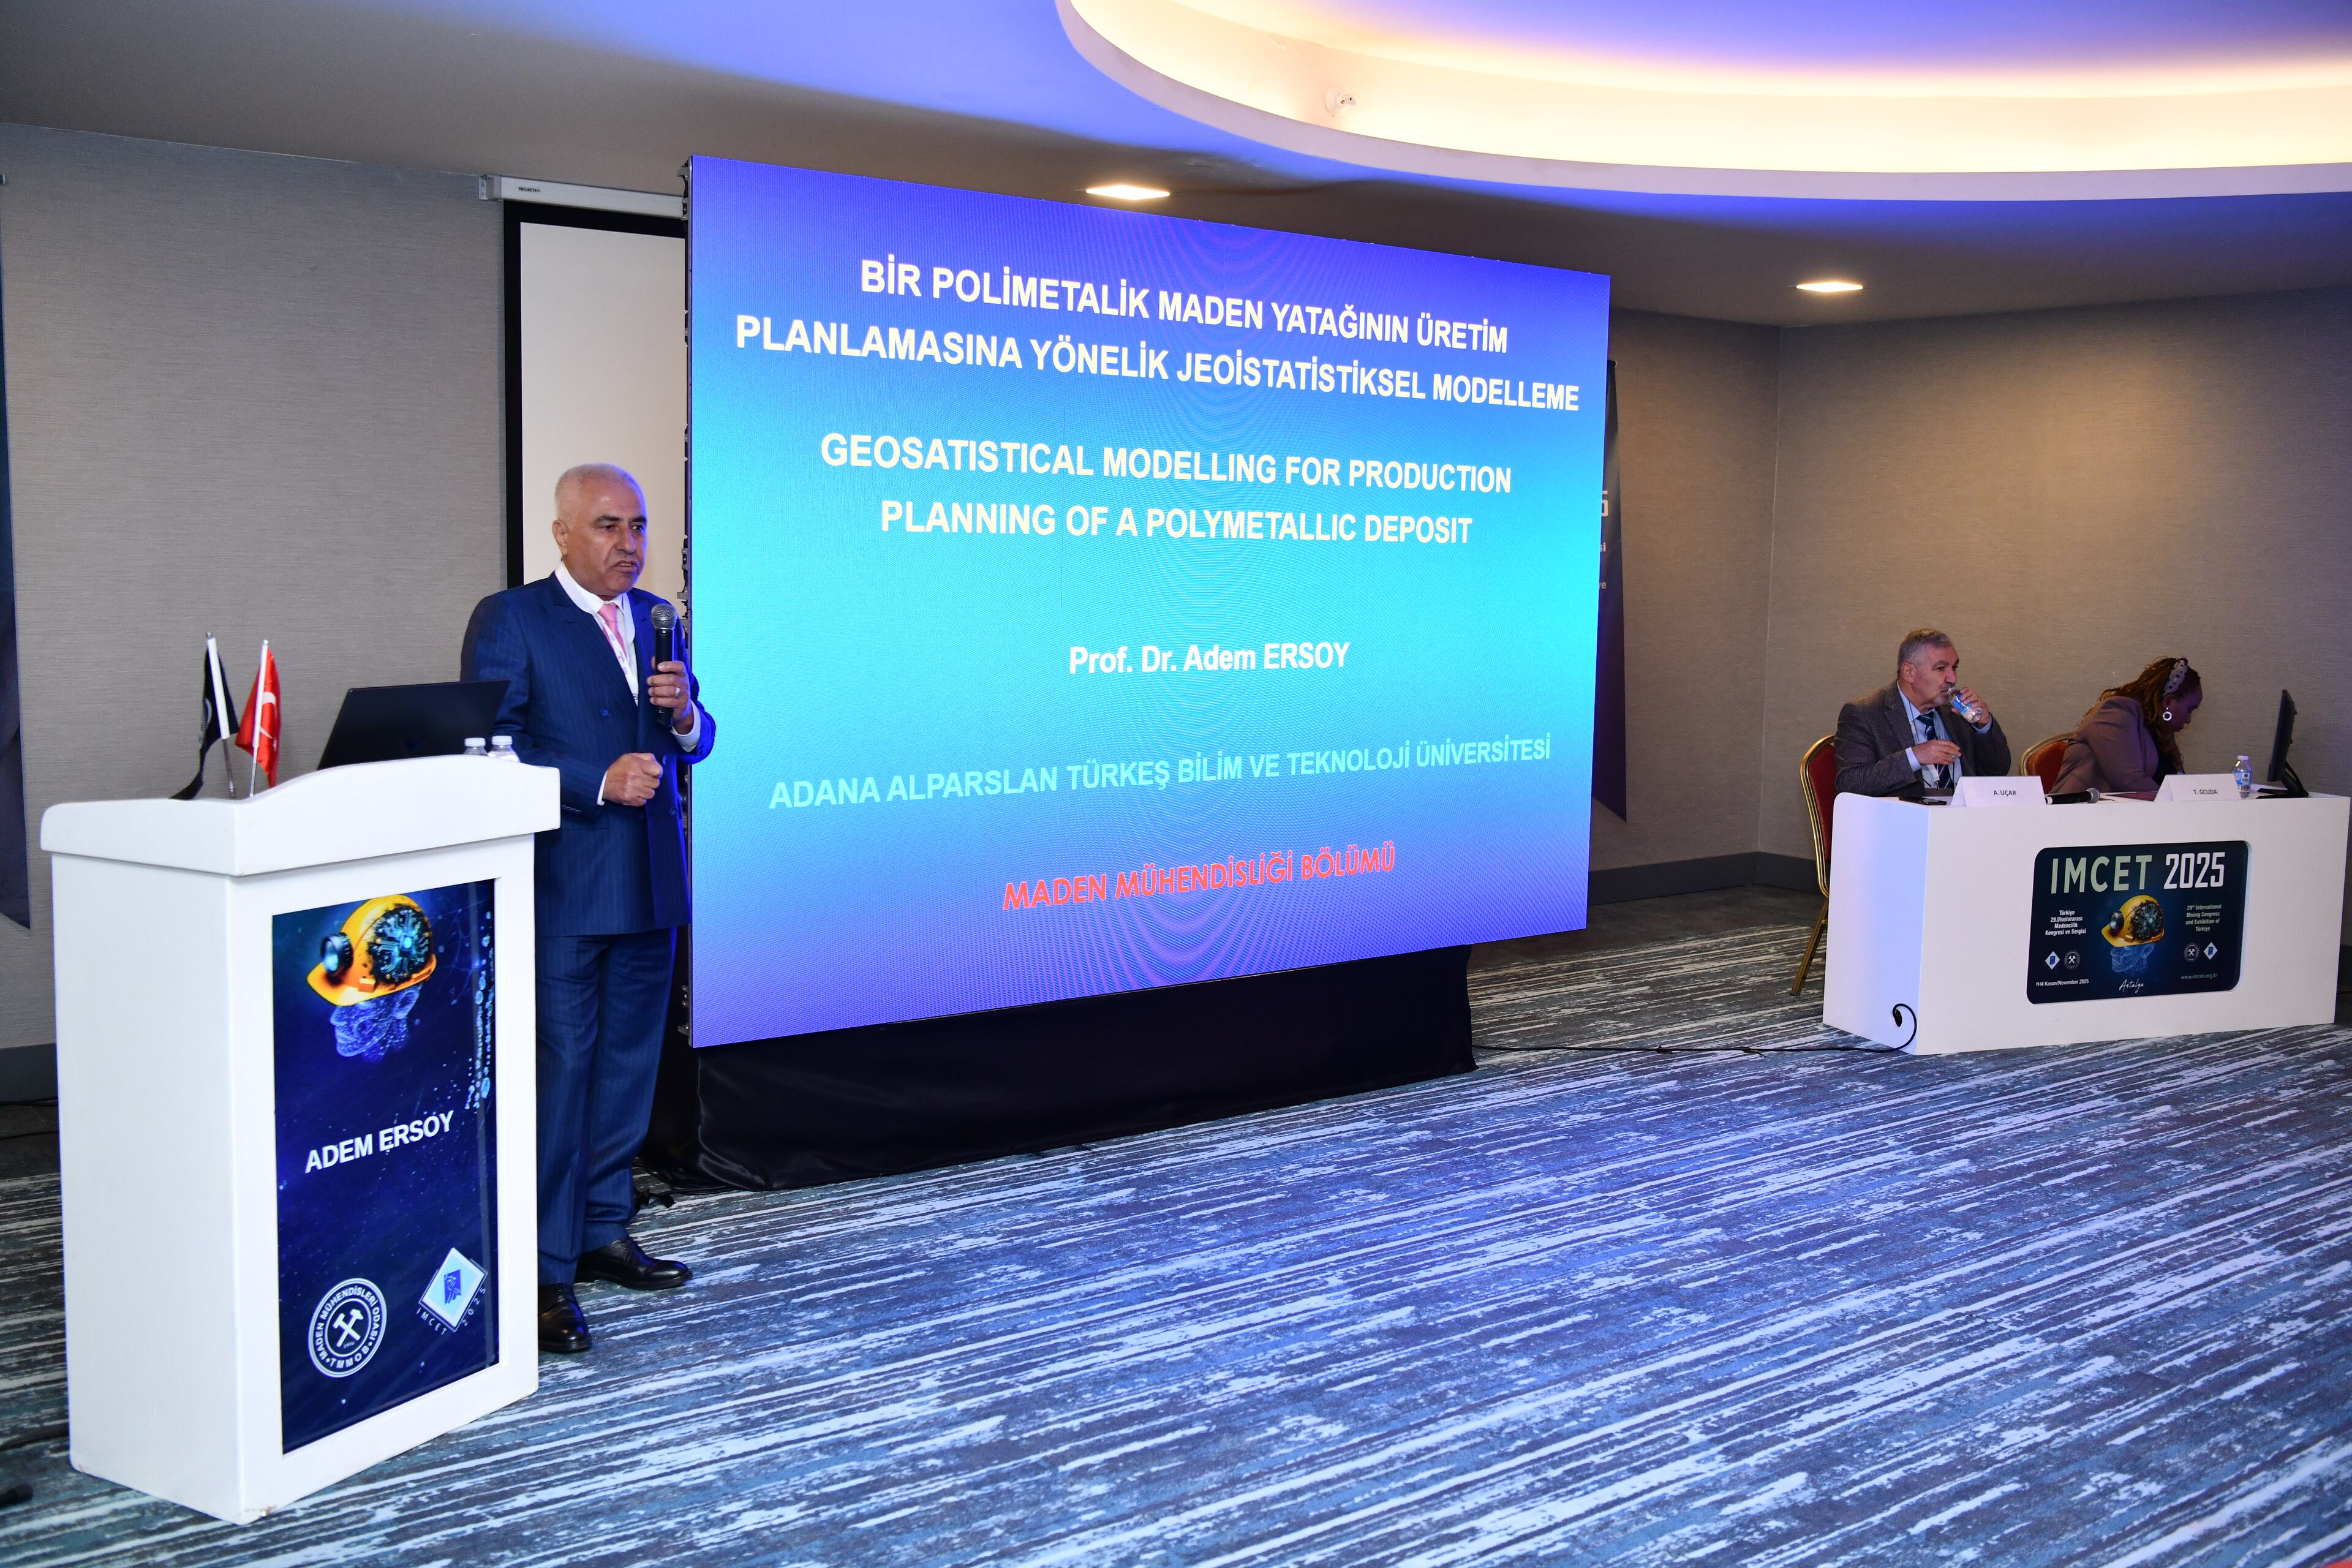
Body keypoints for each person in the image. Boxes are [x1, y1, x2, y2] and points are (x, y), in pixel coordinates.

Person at [461, 464, 716, 1354]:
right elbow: (489, 747)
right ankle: (542, 1270)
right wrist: (595, 780)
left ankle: (604, 1227)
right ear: (563, 533)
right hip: (565, 885)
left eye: (638, 526)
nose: (629, 544)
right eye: (609, 526)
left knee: (628, 1071)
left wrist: (683, 718)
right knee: (561, 1077)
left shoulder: (658, 617)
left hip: (652, 883)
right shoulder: (512, 619)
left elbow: (702, 739)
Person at [1834, 628, 2011, 796]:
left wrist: (1984, 725)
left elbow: (1998, 770)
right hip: (1905, 816)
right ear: (1909, 672)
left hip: (1964, 815)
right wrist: (1914, 757)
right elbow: (1851, 783)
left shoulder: (1958, 711)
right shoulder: (1865, 714)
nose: (1952, 678)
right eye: (1941, 668)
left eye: (1954, 668)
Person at [2052, 656, 2200, 795]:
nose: (2189, 719)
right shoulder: (2114, 712)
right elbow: (2129, 782)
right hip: (2077, 811)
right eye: (2190, 709)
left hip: (2122, 812)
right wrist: (2178, 805)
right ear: (2169, 702)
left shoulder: (2159, 732)